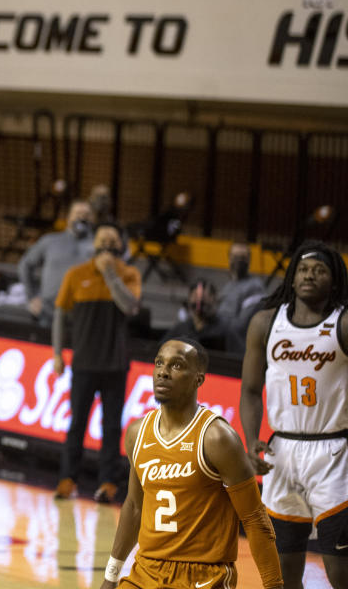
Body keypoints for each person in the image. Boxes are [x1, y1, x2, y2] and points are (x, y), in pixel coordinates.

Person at [99, 338, 283, 589]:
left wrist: (274, 585)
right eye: (159, 363)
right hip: (146, 572)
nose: (163, 372)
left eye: (176, 365)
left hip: (203, 575)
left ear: (199, 378)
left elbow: (253, 518)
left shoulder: (217, 438)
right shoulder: (137, 433)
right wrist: (111, 577)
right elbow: (133, 507)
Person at [240, 241, 348, 589]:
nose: (309, 275)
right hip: (281, 453)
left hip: (334, 453)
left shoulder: (342, 323)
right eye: (303, 269)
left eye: (319, 270)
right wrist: (251, 441)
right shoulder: (265, 323)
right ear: (291, 276)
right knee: (283, 573)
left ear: (334, 281)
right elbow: (251, 390)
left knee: (340, 571)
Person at [52, 222, 140, 503]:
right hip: (84, 363)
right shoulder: (76, 275)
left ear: (119, 246)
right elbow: (59, 314)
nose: (106, 245)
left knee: (112, 427)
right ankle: (68, 478)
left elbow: (130, 307)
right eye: (101, 239)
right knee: (77, 423)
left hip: (115, 364)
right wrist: (56, 353)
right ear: (94, 244)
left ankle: (107, 484)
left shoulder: (129, 274)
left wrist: (111, 275)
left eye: (111, 241)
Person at [17, 199, 95, 327]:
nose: (81, 218)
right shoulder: (50, 241)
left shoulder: (97, 246)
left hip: (84, 317)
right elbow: (25, 265)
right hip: (49, 314)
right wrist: (32, 297)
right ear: (69, 217)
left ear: (92, 218)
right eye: (78, 214)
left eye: (86, 215)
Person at [163, 280, 245, 354]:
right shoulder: (180, 329)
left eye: (205, 299)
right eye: (195, 297)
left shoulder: (226, 330)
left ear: (215, 300)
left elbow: (239, 357)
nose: (199, 302)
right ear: (188, 300)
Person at [217, 242, 265, 334]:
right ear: (229, 258)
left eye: (243, 258)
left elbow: (242, 324)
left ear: (249, 260)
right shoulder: (228, 284)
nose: (239, 261)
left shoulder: (255, 287)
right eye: (235, 257)